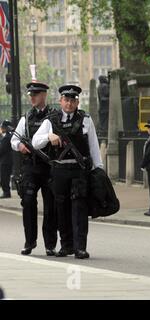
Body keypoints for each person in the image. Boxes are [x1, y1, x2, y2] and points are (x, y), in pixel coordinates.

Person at [32, 85, 103, 259]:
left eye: (73, 100)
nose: (69, 104)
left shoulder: (86, 119)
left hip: (79, 170)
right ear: (60, 101)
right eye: (66, 100)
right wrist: (49, 137)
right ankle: (66, 246)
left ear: (77, 101)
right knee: (61, 208)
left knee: (79, 208)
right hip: (60, 170)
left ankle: (80, 247)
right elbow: (35, 142)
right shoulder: (51, 120)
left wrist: (99, 169)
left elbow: (93, 146)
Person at [10, 82, 58, 256]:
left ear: (44, 95)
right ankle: (30, 241)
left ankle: (50, 244)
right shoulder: (26, 117)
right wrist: (20, 146)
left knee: (51, 205)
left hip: (49, 165)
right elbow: (14, 141)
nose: (32, 97)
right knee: (28, 201)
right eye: (30, 95)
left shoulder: (54, 116)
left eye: (35, 94)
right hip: (31, 166)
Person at [0, 120, 13, 199]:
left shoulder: (6, 137)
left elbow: (1, 149)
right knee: (5, 177)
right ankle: (6, 192)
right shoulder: (11, 136)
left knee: (4, 177)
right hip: (8, 160)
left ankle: (6, 192)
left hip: (5, 161)